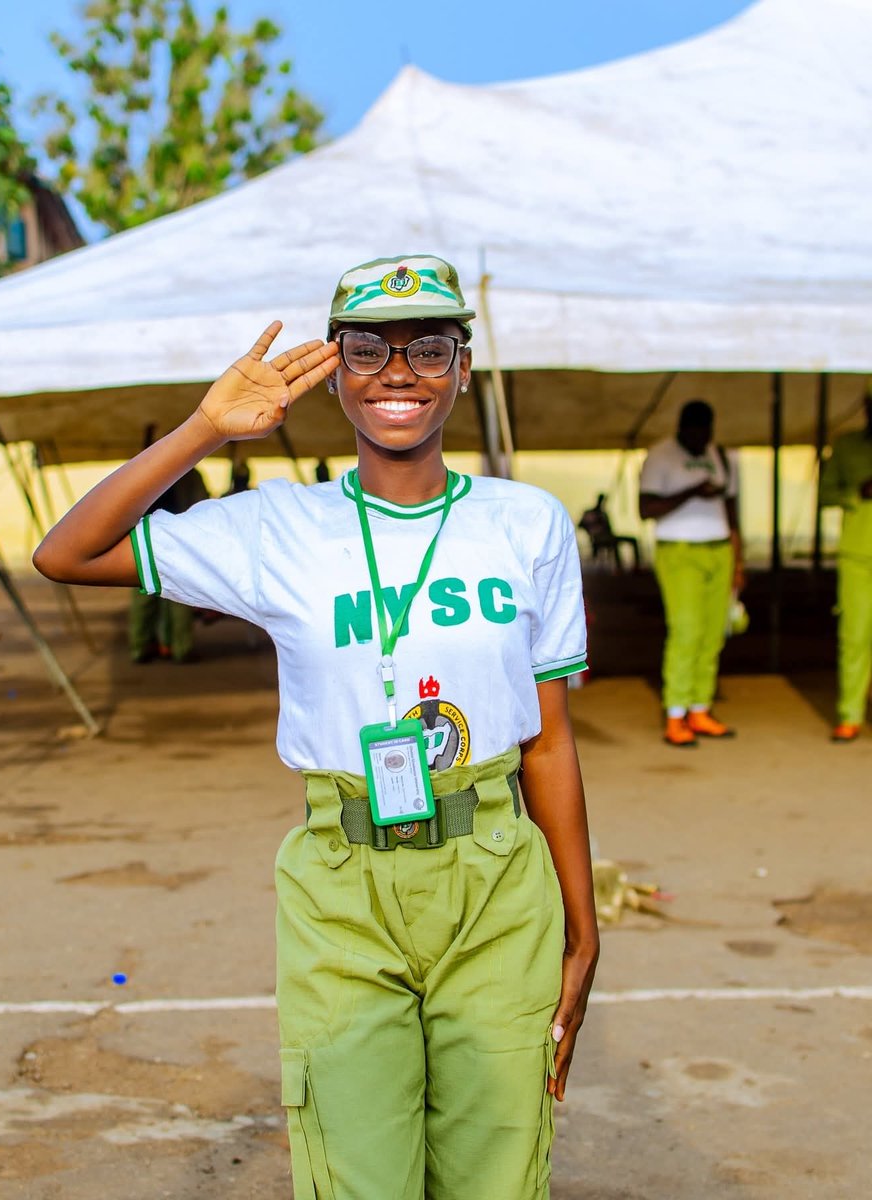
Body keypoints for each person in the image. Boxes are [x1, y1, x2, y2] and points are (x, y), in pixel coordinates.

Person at [33, 254, 599, 1200]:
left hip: (499, 877)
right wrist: (204, 429)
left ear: (463, 369)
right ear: (334, 372)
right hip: (341, 884)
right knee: (359, 1176)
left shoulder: (528, 524)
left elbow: (549, 742)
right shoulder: (275, 528)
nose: (399, 373)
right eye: (367, 349)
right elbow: (67, 553)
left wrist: (583, 930)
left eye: (429, 349)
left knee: (498, 1176)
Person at [638, 399, 744, 747]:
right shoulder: (660, 455)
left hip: (720, 549)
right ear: (682, 428)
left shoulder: (721, 455)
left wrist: (738, 561)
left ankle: (700, 709)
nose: (701, 438)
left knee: (713, 633)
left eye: (706, 432)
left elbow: (731, 509)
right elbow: (646, 508)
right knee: (686, 631)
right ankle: (675, 714)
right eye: (695, 432)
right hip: (678, 550)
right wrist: (693, 491)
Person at [818, 393, 872, 741]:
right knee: (855, 636)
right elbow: (825, 494)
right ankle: (850, 714)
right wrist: (856, 493)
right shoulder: (846, 446)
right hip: (857, 556)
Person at [128, 442, 209, 663]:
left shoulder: (142, 470)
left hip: (143, 537)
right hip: (177, 540)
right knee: (178, 596)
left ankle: (141, 647)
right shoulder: (191, 475)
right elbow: (202, 505)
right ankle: (180, 647)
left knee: (144, 596)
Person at [577, 492, 641, 571]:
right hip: (598, 539)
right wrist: (592, 528)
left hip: (608, 536)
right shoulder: (590, 514)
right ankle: (619, 568)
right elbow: (580, 525)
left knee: (632, 540)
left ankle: (635, 566)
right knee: (613, 543)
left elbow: (609, 529)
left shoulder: (603, 514)